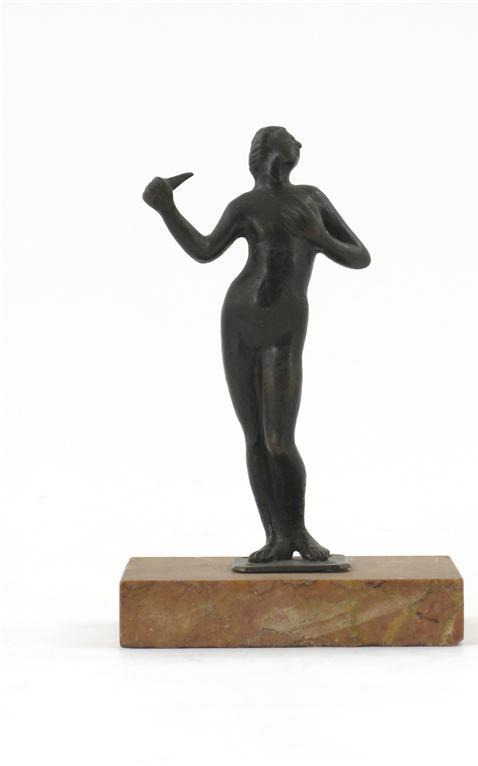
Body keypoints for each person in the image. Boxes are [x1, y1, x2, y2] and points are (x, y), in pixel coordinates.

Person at [143, 126, 370, 562]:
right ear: (269, 150)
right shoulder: (244, 206)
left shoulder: (312, 198)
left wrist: (319, 237)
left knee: (279, 438)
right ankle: (276, 537)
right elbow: (205, 250)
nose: (299, 144)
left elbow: (360, 256)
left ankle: (298, 531)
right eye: (290, 138)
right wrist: (166, 209)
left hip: (285, 325)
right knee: (254, 438)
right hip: (240, 319)